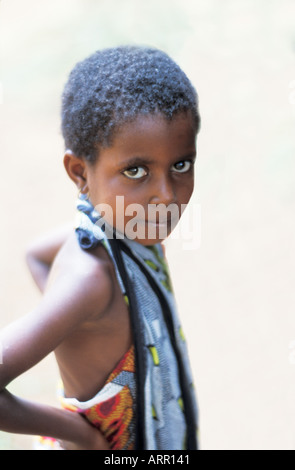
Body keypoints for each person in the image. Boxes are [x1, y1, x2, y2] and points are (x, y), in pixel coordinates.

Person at [0, 46, 201, 450]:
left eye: (180, 165)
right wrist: (79, 433)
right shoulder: (89, 281)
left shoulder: (128, 226)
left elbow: (36, 254)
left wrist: (79, 339)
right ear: (80, 173)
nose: (166, 196)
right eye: (136, 171)